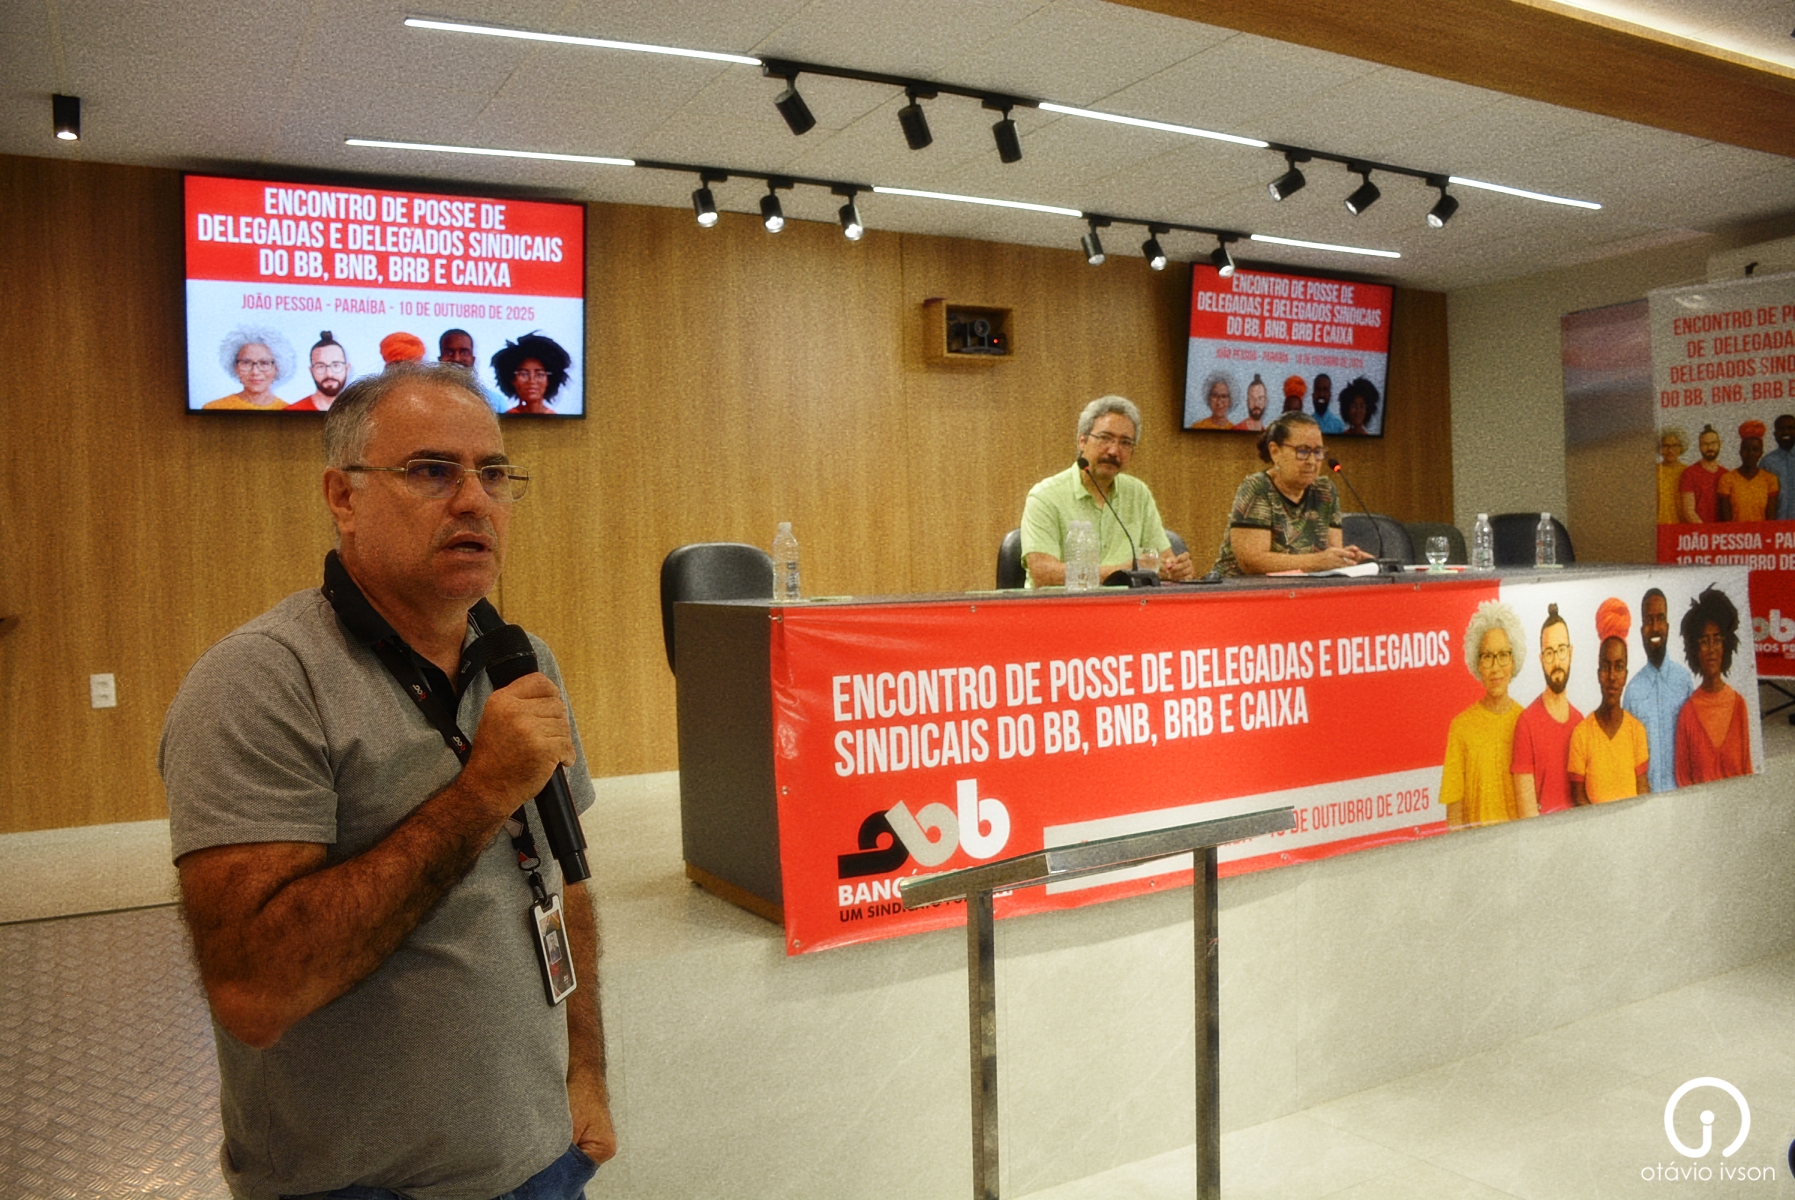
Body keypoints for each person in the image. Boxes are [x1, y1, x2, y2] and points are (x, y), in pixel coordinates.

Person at [160, 362, 616, 1200]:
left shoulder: (521, 661)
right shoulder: (260, 681)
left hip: (541, 1155)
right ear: (343, 496)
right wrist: (480, 794)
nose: (474, 501)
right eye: (432, 471)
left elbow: (566, 887)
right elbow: (255, 992)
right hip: (358, 1184)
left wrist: (584, 1070)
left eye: (493, 473)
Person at [1020, 395, 1195, 586]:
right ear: (1082, 441)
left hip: (1129, 603)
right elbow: (1043, 573)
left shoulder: (1138, 493)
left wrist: (1175, 569)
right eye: (1105, 438)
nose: (1114, 451)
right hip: (1066, 603)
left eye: (1125, 443)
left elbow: (1163, 559)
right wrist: (1122, 572)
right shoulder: (1045, 496)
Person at [1208, 411, 1374, 577]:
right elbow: (1252, 562)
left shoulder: (1324, 490)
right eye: (1302, 451)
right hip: (1240, 588)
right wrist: (1317, 562)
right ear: (1275, 452)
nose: (1312, 461)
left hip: (1303, 587)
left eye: (1318, 452)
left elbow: (1330, 554)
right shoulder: (1258, 488)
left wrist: (1345, 558)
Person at [1440, 601, 1526, 829]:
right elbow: (1454, 815)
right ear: (1477, 663)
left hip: (1520, 844)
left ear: (1514, 659)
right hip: (1476, 847)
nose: (1495, 668)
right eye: (1487, 656)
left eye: (1503, 655)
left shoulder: (1526, 722)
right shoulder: (1461, 727)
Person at [1568, 598, 1651, 804]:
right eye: (1606, 667)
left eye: (1619, 667)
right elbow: (1579, 798)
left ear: (1625, 675)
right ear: (1598, 674)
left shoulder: (1636, 732)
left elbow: (1643, 791)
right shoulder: (1582, 735)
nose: (1612, 676)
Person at [1674, 584, 1752, 784]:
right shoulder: (1688, 714)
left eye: (1717, 640)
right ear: (1695, 649)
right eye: (1704, 641)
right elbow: (1683, 780)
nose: (1711, 649)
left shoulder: (1739, 705)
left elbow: (1748, 773)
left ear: (1726, 645)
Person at [1511, 603, 1583, 816]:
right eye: (1549, 653)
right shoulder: (1526, 725)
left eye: (1561, 650)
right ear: (1541, 659)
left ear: (1571, 653)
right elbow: (1527, 816)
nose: (1557, 661)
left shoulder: (1581, 724)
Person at [1622, 587, 1692, 794]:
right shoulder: (1632, 692)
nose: (1654, 627)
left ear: (1667, 626)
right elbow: (1628, 757)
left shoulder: (1684, 682)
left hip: (1683, 796)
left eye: (1660, 619)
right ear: (1641, 629)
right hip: (1647, 801)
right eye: (1648, 620)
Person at [204, 326, 294, 410]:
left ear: (277, 368)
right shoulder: (215, 408)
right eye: (246, 363)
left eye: (264, 363)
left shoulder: (287, 411)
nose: (255, 372)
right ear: (235, 367)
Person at [493, 331, 574, 416]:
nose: (531, 381)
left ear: (549, 380)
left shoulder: (556, 419)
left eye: (540, 374)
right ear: (512, 379)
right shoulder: (506, 419)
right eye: (524, 374)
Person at [1716, 419, 1779, 521]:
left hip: (1762, 531)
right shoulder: (1727, 479)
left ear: (1761, 453)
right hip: (1736, 531)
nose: (1750, 454)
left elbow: (1771, 518)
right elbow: (1726, 519)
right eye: (1746, 449)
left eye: (1755, 450)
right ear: (1740, 452)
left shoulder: (1770, 479)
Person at [440, 328, 507, 414]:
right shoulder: (428, 397)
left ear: (473, 359)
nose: (456, 359)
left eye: (464, 352)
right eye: (449, 353)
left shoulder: (496, 401)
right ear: (440, 359)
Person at [285, 331, 350, 412]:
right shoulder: (292, 412)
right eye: (320, 366)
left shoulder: (360, 411)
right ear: (311, 371)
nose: (329, 374)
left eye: (336, 365)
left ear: (347, 368)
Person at [1678, 425, 1723, 523]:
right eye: (1705, 444)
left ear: (1720, 444)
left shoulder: (1726, 475)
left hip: (1722, 531)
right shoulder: (1689, 474)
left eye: (1713, 443)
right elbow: (1689, 512)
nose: (1709, 447)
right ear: (1699, 447)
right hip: (1698, 530)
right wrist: (1704, 531)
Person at [1763, 414, 1795, 521]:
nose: (1786, 432)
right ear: (1775, 434)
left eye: (1790, 428)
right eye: (1781, 429)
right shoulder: (1767, 462)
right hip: (1777, 525)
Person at [1655, 428, 1687, 525]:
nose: (1670, 450)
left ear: (1681, 447)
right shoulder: (1653, 471)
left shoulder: (1688, 472)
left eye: (1675, 446)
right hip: (1658, 525)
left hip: (1682, 526)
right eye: (1665, 446)